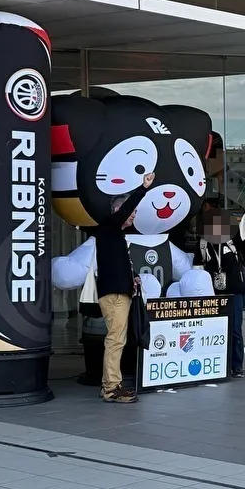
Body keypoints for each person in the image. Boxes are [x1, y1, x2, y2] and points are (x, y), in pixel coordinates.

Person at [96, 172, 155, 404]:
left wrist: (133, 278)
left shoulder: (114, 235)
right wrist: (143, 189)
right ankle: (112, 387)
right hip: (114, 294)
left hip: (119, 291)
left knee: (116, 338)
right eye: (132, 212)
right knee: (116, 340)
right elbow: (125, 210)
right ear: (119, 211)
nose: (133, 216)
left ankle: (108, 385)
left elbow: (118, 264)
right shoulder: (110, 225)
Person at [198, 194, 245, 378]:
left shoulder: (233, 239)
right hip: (214, 293)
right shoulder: (204, 244)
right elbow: (198, 267)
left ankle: (236, 365)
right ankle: (218, 364)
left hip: (234, 293)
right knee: (215, 330)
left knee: (235, 330)